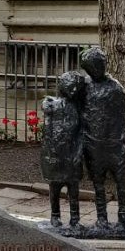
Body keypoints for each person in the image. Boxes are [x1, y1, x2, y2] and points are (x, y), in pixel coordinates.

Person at [80, 47, 125, 227]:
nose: (96, 69)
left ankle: (123, 216)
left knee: (121, 182)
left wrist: (123, 141)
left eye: (98, 65)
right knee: (98, 184)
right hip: (93, 145)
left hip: (114, 144)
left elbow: (123, 117)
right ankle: (101, 217)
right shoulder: (85, 87)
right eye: (92, 67)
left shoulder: (115, 88)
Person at [40, 70, 85, 228]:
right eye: (71, 87)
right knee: (55, 187)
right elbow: (47, 130)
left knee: (73, 188)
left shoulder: (78, 108)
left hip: (72, 153)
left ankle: (75, 219)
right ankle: (55, 216)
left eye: (76, 88)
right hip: (56, 153)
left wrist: (79, 152)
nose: (73, 91)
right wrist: (51, 152)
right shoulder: (52, 105)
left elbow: (81, 132)